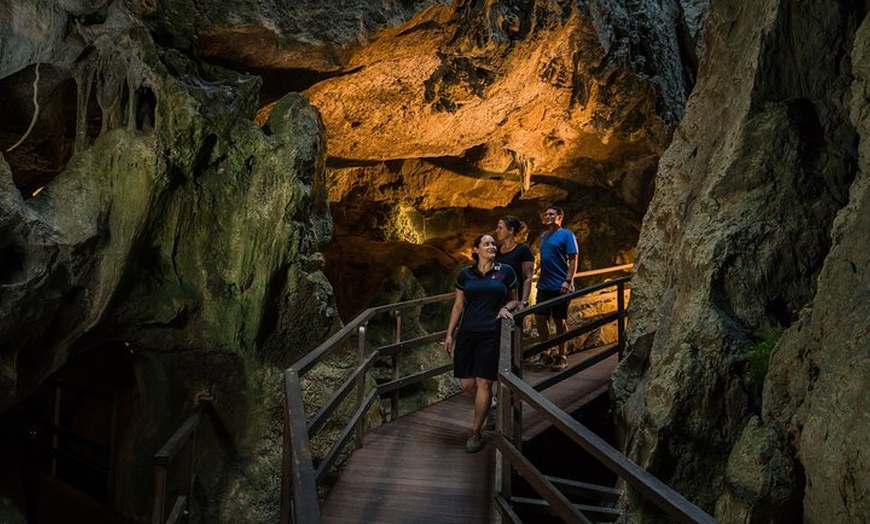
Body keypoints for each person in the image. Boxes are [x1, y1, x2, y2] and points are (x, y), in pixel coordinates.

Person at [443, 234, 520, 453]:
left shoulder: (505, 271)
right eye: (486, 244)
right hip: (467, 333)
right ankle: (491, 403)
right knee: (467, 385)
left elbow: (514, 298)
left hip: (491, 333)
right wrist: (449, 334)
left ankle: (475, 433)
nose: (491, 246)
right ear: (475, 249)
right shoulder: (465, 274)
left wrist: (507, 308)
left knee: (484, 383)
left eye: (493, 244)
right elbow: (458, 305)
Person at [534, 205, 578, 372]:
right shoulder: (544, 236)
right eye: (546, 214)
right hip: (544, 284)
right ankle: (546, 351)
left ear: (560, 217)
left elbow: (573, 259)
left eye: (552, 214)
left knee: (559, 320)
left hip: (560, 284)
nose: (548, 216)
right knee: (540, 317)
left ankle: (562, 356)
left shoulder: (567, 235)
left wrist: (568, 280)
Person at [494, 215, 535, 311]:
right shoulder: (497, 250)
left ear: (511, 230)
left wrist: (523, 302)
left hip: (515, 300)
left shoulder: (522, 250)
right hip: (498, 299)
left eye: (500, 228)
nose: (497, 231)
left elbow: (527, 277)